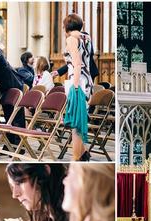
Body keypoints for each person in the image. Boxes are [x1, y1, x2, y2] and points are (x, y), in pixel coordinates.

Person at [62, 14, 94, 161]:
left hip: (77, 81)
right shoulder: (86, 38)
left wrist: (74, 87)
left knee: (76, 123)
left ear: (66, 26)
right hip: (87, 81)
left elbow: (77, 64)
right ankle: (83, 155)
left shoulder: (71, 39)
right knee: (80, 120)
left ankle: (76, 158)